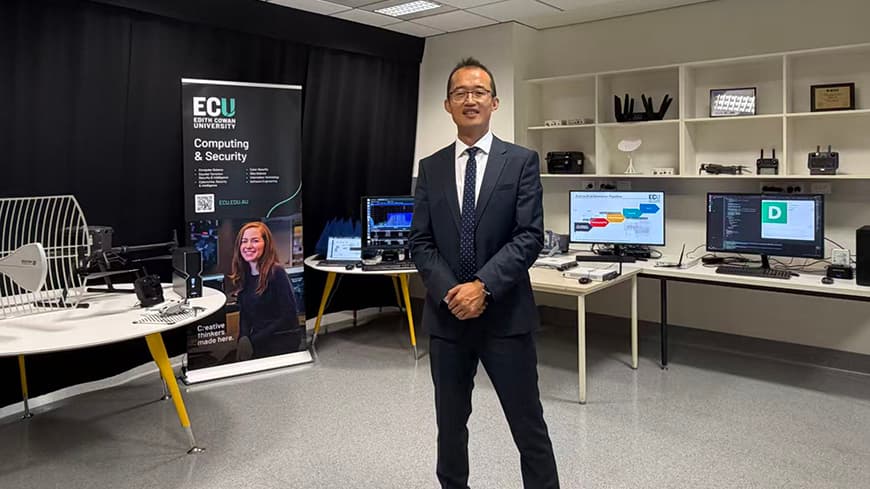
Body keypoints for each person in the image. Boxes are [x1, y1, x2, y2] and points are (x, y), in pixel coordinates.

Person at [410, 58, 560, 489]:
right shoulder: (431, 167)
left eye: (479, 92)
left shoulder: (521, 162)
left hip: (506, 317)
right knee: (450, 428)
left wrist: (483, 287)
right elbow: (420, 241)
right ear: (447, 105)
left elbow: (529, 236)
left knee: (528, 427)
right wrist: (452, 292)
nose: (470, 99)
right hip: (448, 318)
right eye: (460, 93)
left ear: (495, 102)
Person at [229, 221, 302, 360]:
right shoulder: (244, 275)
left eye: (255, 241)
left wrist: (252, 341)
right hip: (258, 340)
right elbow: (245, 314)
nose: (248, 246)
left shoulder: (277, 272)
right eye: (244, 241)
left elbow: (288, 316)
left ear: (266, 244)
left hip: (280, 341)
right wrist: (243, 338)